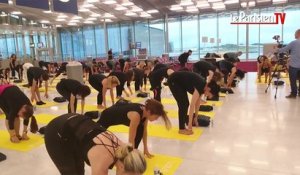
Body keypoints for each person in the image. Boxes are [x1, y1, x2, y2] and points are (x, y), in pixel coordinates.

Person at [44, 113, 146, 175]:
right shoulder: (103, 160)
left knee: (79, 169)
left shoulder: (126, 149)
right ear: (122, 167)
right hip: (56, 133)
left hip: (76, 124)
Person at [97, 99, 171, 157]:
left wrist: (145, 148)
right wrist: (131, 155)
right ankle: (131, 154)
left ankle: (133, 151)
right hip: (107, 115)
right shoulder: (136, 116)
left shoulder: (146, 112)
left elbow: (144, 132)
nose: (156, 119)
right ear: (149, 112)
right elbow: (131, 139)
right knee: (96, 134)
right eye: (156, 117)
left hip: (121, 112)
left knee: (141, 129)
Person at [278, 29, 300, 98]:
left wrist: (276, 49)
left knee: (293, 80)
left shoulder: (294, 42)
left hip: (294, 65)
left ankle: (293, 94)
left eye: (295, 33)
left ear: (298, 34)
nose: (294, 35)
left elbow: (283, 49)